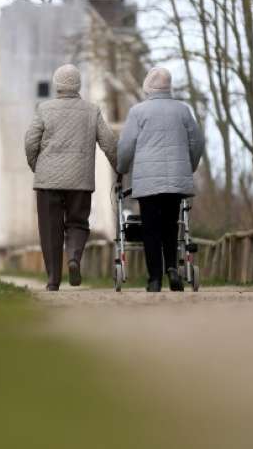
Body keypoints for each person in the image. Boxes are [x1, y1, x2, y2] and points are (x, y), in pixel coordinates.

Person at [24, 64, 118, 291]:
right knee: (77, 223)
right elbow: (108, 143)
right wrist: (119, 166)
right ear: (78, 85)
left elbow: (30, 142)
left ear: (57, 84)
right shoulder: (92, 110)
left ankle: (53, 280)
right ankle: (74, 258)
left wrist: (37, 167)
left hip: (48, 181)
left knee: (50, 229)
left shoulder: (44, 109)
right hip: (80, 180)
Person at [117, 67, 205, 292]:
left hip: (147, 184)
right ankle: (173, 269)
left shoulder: (138, 112)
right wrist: (189, 167)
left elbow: (126, 147)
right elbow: (197, 143)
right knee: (170, 226)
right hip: (176, 181)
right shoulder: (183, 110)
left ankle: (155, 278)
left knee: (150, 229)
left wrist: (122, 168)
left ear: (148, 86)